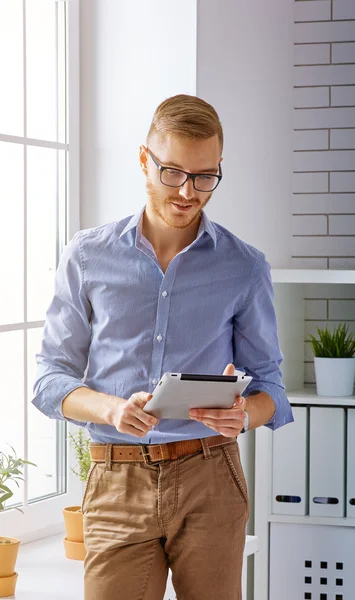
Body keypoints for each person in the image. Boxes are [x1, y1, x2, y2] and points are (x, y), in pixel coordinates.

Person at [32, 94, 293, 600]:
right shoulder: (87, 256)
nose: (187, 191)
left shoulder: (244, 266)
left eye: (204, 176)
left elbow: (273, 392)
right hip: (116, 478)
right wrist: (110, 409)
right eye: (172, 172)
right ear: (143, 161)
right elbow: (50, 380)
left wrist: (244, 415)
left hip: (211, 474)